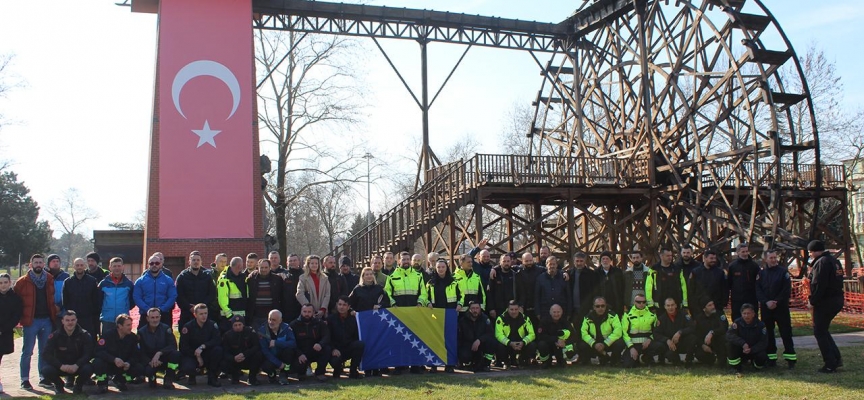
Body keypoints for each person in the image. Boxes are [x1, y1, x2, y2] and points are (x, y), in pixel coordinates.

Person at [15, 253, 59, 390]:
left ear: (44, 265)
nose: (38, 265)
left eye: (40, 262)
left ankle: (44, 377)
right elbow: (15, 301)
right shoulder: (22, 281)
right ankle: (25, 379)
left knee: (44, 351)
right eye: (36, 263)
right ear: (30, 265)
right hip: (30, 320)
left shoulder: (49, 279)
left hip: (46, 320)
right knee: (27, 351)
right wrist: (18, 319)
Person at [807, 239, 845, 373]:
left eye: (810, 252)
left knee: (819, 331)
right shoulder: (834, 261)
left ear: (814, 251)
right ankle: (836, 358)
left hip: (825, 301)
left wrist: (812, 301)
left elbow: (819, 285)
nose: (810, 255)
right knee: (823, 330)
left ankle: (830, 363)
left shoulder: (821, 262)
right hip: (837, 298)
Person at [756, 249, 795, 368]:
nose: (773, 260)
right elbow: (758, 290)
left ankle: (790, 358)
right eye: (771, 258)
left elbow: (786, 290)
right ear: (765, 259)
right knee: (768, 334)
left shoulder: (783, 272)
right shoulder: (761, 274)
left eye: (774, 257)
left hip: (781, 308)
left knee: (786, 333)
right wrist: (766, 302)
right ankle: (771, 358)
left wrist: (776, 302)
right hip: (766, 308)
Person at [41, 311, 93, 395]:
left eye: (72, 320)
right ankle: (59, 385)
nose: (70, 323)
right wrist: (60, 366)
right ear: (62, 321)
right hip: (61, 366)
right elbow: (46, 354)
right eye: (67, 320)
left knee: (89, 368)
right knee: (46, 370)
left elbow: (89, 353)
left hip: (77, 366)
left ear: (76, 320)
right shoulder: (55, 335)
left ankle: (78, 386)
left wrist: (77, 365)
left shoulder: (85, 335)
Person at [93, 314, 144, 394]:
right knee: (97, 362)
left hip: (123, 366)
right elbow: (98, 351)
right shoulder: (108, 335)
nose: (130, 327)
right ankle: (102, 384)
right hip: (109, 364)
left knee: (139, 367)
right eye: (128, 325)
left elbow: (136, 355)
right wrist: (113, 359)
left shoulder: (132, 338)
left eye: (131, 324)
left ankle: (120, 381)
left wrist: (129, 363)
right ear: (120, 326)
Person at [179, 304, 223, 387]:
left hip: (207, 353)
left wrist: (203, 346)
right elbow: (183, 347)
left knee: (218, 350)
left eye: (205, 313)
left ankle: (212, 377)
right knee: (187, 366)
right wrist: (196, 356)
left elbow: (217, 340)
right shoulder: (188, 327)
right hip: (192, 355)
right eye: (201, 314)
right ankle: (192, 376)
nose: (204, 316)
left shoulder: (212, 325)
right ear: (195, 315)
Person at [138, 308, 180, 390]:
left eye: (157, 317)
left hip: (164, 358)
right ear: (147, 318)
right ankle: (152, 378)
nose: (155, 320)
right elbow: (140, 352)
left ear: (160, 317)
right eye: (152, 318)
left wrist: (160, 353)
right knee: (150, 379)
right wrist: (150, 362)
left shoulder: (166, 329)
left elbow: (173, 345)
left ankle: (169, 378)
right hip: (151, 361)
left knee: (176, 354)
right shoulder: (141, 332)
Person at [62, 258, 101, 345]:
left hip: (89, 318)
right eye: (77, 265)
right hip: (73, 319)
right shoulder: (68, 282)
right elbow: (65, 301)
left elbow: (96, 300)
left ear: (85, 266)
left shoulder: (92, 281)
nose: (79, 267)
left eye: (81, 265)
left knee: (90, 342)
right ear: (74, 266)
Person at [290, 304, 332, 382]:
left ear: (313, 313)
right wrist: (299, 354)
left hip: (315, 350)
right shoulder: (293, 325)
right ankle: (301, 373)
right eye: (305, 311)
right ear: (301, 312)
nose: (307, 314)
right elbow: (291, 342)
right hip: (301, 353)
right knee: (298, 367)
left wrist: (320, 344)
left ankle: (320, 373)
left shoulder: (319, 323)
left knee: (327, 349)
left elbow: (326, 336)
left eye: (309, 312)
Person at [176, 250, 218, 328]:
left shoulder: (207, 276)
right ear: (189, 261)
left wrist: (201, 306)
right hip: (187, 313)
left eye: (198, 260)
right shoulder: (182, 276)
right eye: (193, 260)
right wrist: (190, 307)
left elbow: (212, 294)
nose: (196, 262)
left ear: (201, 262)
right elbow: (179, 296)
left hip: (204, 313)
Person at [134, 254, 178, 329]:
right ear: (148, 265)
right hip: (146, 315)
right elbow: (137, 297)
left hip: (164, 315)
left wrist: (161, 309)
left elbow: (172, 296)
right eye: (151, 263)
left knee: (165, 339)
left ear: (161, 264)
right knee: (143, 339)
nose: (154, 265)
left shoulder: (168, 280)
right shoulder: (140, 281)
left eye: (157, 263)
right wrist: (148, 310)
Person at [579, 296, 624, 366]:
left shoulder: (613, 316)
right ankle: (587, 360)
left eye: (602, 306)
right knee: (582, 344)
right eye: (598, 306)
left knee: (620, 343)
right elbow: (584, 333)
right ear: (594, 307)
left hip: (608, 343)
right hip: (594, 344)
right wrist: (594, 344)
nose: (600, 308)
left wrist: (605, 344)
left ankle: (614, 360)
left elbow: (618, 332)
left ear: (606, 306)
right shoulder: (587, 317)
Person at [327, 296, 365, 379]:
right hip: (335, 350)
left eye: (344, 305)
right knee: (335, 361)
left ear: (348, 307)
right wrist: (333, 349)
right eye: (340, 304)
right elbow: (327, 337)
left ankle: (353, 371)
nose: (341, 307)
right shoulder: (330, 319)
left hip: (348, 347)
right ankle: (337, 371)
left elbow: (356, 336)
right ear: (336, 305)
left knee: (360, 344)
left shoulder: (353, 319)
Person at [621, 293, 662, 368]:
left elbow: (656, 331)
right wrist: (631, 348)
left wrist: (650, 339)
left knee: (661, 346)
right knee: (628, 365)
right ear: (634, 302)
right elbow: (624, 333)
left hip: (647, 344)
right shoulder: (627, 314)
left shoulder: (652, 314)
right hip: (634, 345)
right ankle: (636, 358)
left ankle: (646, 357)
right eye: (638, 302)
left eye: (643, 302)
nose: (641, 304)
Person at [220, 315, 262, 386]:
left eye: (240, 324)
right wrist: (233, 358)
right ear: (232, 326)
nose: (238, 327)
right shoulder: (227, 335)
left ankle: (252, 378)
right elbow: (225, 352)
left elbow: (256, 346)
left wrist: (245, 354)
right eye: (235, 325)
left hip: (248, 358)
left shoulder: (250, 332)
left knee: (259, 354)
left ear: (243, 324)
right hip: (234, 361)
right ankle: (234, 376)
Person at [726, 303, 768, 373]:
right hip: (741, 349)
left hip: (754, 350)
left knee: (762, 356)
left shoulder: (761, 325)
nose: (746, 316)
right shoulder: (737, 323)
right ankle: (735, 367)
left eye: (748, 313)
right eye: (744, 313)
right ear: (741, 314)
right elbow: (729, 335)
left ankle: (756, 366)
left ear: (753, 314)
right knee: (730, 345)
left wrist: (751, 349)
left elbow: (763, 342)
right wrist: (743, 343)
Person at [258, 309, 297, 385]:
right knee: (266, 365)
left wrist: (277, 343)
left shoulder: (286, 328)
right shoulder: (262, 331)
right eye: (270, 319)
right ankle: (272, 375)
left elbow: (293, 343)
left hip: (283, 355)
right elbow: (265, 351)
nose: (271, 322)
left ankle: (284, 374)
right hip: (270, 357)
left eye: (274, 320)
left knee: (289, 351)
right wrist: (279, 364)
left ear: (280, 320)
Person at [494, 300, 537, 369]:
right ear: (508, 309)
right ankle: (506, 362)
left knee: (532, 345)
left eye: (516, 309)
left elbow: (532, 334)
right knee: (499, 345)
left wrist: (523, 342)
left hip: (521, 344)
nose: (514, 312)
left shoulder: (525, 318)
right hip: (508, 344)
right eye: (511, 309)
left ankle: (522, 360)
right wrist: (509, 343)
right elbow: (498, 334)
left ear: (519, 309)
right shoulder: (501, 319)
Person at [98, 257, 134, 335]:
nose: (117, 268)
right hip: (107, 319)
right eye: (114, 266)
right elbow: (98, 300)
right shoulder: (103, 283)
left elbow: (132, 301)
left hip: (123, 320)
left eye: (119, 266)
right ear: (110, 267)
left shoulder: (129, 284)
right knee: (107, 343)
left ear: (123, 267)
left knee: (123, 343)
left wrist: (125, 307)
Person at [0, 273, 23, 394]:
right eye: (0, 283)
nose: (3, 285)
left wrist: (3, 329)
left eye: (5, 282)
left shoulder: (15, 298)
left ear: (9, 283)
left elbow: (16, 316)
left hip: (5, 332)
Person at [458, 301, 496, 372]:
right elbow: (459, 337)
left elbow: (490, 334)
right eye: (473, 308)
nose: (475, 310)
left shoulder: (485, 319)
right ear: (469, 309)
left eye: (477, 308)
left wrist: (479, 340)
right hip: (468, 345)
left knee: (492, 342)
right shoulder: (463, 321)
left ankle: (486, 364)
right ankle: (467, 363)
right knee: (464, 356)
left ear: (480, 309)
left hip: (481, 344)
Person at [247, 259, 285, 328]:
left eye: (266, 267)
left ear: (270, 267)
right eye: (261, 267)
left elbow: (282, 296)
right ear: (258, 267)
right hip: (255, 315)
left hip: (271, 315)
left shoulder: (277, 279)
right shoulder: (252, 279)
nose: (264, 270)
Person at [536, 304, 577, 368]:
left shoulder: (565, 322)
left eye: (558, 312)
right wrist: (556, 340)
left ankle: (562, 361)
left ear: (562, 312)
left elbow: (574, 336)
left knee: (571, 346)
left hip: (561, 347)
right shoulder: (544, 321)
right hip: (549, 345)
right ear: (550, 312)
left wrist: (565, 343)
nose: (556, 314)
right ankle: (546, 362)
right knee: (542, 344)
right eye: (554, 312)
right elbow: (541, 336)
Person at [689, 250, 728, 314]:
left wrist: (723, 304)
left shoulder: (720, 272)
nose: (713, 260)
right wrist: (693, 305)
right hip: (700, 307)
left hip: (716, 306)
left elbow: (724, 289)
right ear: (704, 258)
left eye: (714, 258)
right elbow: (691, 290)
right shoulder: (696, 272)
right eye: (711, 258)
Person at [727, 242, 759, 321]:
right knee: (737, 319)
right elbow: (729, 283)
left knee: (753, 319)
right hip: (737, 299)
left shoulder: (754, 266)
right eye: (743, 252)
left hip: (752, 298)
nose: (745, 254)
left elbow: (758, 282)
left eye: (746, 251)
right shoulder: (732, 266)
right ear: (738, 253)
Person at [691, 299, 728, 366]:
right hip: (706, 343)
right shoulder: (699, 318)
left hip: (718, 341)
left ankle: (722, 361)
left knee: (724, 339)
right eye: (709, 305)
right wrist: (702, 345)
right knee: (699, 353)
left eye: (713, 304)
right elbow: (696, 334)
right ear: (704, 309)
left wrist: (712, 332)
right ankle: (710, 360)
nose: (713, 307)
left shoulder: (720, 314)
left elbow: (724, 328)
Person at [217, 257, 250, 331]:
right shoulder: (224, 279)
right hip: (228, 319)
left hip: (241, 317)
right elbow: (222, 300)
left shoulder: (243, 277)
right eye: (242, 265)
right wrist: (230, 316)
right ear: (239, 266)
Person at [534, 256, 570, 320]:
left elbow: (568, 295)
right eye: (550, 264)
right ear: (546, 265)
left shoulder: (563, 277)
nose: (552, 266)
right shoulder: (540, 278)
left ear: (556, 265)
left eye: (554, 264)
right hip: (545, 312)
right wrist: (537, 313)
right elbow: (537, 296)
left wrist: (568, 312)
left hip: (561, 312)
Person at [565, 252, 597, 324]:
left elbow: (595, 292)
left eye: (581, 261)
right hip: (572, 310)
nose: (579, 263)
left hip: (587, 309)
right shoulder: (569, 273)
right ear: (574, 261)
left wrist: (593, 307)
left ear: (585, 261)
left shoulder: (591, 274)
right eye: (577, 261)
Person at [296, 255, 331, 319]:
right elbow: (299, 294)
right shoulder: (303, 278)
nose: (314, 265)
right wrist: (309, 309)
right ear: (308, 264)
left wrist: (323, 309)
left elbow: (327, 294)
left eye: (316, 263)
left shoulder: (325, 278)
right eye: (312, 263)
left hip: (322, 311)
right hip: (308, 313)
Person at [515, 252, 545, 324]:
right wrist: (494, 269)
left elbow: (552, 269)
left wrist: (563, 273)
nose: (529, 263)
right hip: (523, 307)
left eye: (530, 260)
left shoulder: (540, 270)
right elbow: (504, 267)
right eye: (526, 261)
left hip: (537, 307)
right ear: (522, 261)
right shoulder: (518, 270)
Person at [487, 252, 519, 320]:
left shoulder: (515, 274)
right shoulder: (494, 275)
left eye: (508, 261)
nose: (506, 263)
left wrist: (520, 305)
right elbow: (489, 293)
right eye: (504, 261)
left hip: (513, 309)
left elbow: (521, 292)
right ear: (500, 262)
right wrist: (491, 308)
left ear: (511, 262)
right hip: (498, 309)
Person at [595, 252, 625, 316]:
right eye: (603, 259)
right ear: (600, 261)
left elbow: (622, 287)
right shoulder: (596, 273)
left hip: (616, 302)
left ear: (610, 260)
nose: (605, 261)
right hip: (601, 304)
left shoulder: (617, 272)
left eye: (607, 259)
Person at [279, 253, 304, 322]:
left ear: (299, 261)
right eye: (290, 261)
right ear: (287, 263)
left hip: (302, 309)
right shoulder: (282, 275)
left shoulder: (305, 275)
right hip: (287, 310)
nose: (292, 262)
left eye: (294, 260)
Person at [46, 254, 68, 324]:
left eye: (57, 261)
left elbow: (68, 293)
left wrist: (59, 306)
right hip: (47, 311)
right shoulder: (44, 276)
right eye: (53, 261)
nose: (56, 263)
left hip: (62, 312)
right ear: (48, 264)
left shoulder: (66, 276)